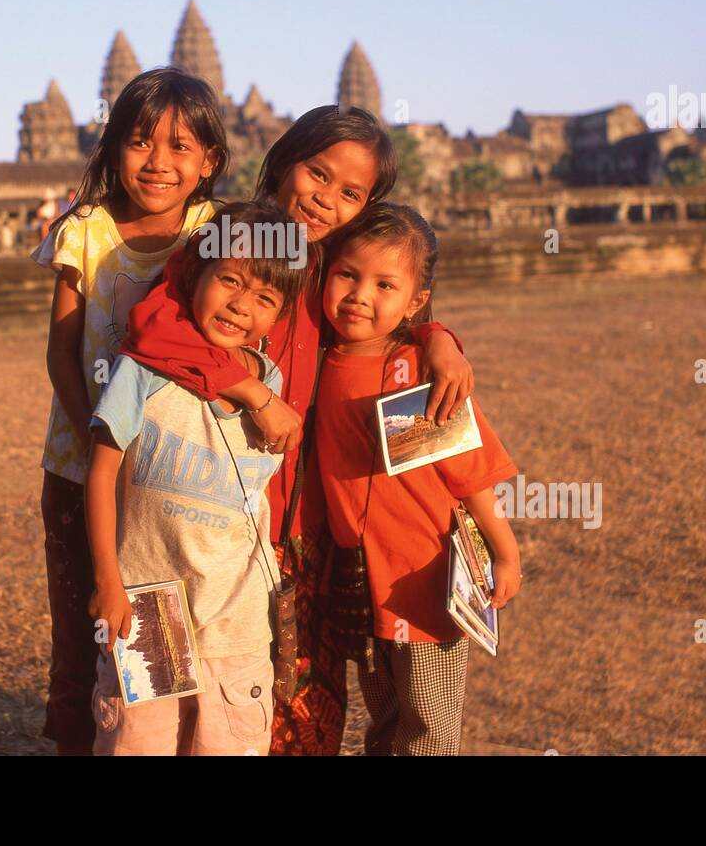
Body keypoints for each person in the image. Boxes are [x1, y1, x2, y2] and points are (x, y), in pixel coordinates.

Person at [120, 104, 476, 755]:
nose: (325, 198)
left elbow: (397, 313)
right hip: (181, 522)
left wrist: (439, 337)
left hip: (293, 527)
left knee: (290, 697)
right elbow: (151, 328)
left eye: (351, 193)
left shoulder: (340, 270)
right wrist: (252, 390)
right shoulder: (232, 239)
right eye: (317, 172)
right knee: (155, 699)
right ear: (282, 160)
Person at [32, 67, 228, 755]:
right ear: (113, 146)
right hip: (83, 465)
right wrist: (98, 443)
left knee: (173, 635)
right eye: (142, 142)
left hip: (179, 475)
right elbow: (62, 353)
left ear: (210, 162)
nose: (160, 162)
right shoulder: (83, 230)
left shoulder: (216, 230)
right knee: (87, 627)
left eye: (181, 147)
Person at [84, 201, 310, 755]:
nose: (240, 305)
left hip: (236, 620)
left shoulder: (272, 386)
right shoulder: (141, 370)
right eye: (229, 280)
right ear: (195, 275)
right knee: (137, 743)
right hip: (144, 612)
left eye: (264, 298)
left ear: (279, 315)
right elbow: (100, 474)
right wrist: (109, 582)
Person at [313, 203, 521, 755]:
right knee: (382, 717)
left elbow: (469, 471)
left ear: (416, 301)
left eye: (385, 284)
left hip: (427, 581)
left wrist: (506, 551)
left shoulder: (417, 371)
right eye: (347, 275)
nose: (360, 295)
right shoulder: (314, 357)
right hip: (361, 581)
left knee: (428, 727)